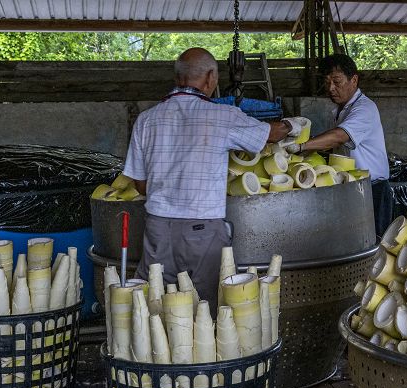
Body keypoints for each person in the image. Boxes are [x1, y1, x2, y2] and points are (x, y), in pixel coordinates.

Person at [124, 47, 290, 310]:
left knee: (154, 303)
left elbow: (140, 184)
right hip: (202, 231)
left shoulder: (146, 120)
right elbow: (270, 134)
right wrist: (290, 126)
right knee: (207, 306)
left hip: (157, 229)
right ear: (211, 77)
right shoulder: (223, 116)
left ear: (178, 77)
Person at [283, 53, 392, 237]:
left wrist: (302, 146)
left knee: (375, 245)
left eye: (337, 81)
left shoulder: (365, 108)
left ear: (354, 80)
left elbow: (340, 136)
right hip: (351, 188)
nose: (331, 88)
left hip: (373, 190)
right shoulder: (341, 110)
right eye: (327, 82)